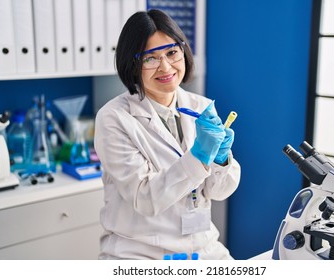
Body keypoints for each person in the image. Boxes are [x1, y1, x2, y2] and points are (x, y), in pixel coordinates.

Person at [94, 9, 241, 260]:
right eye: (150, 58)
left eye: (172, 52)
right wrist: (200, 155)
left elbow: (219, 191)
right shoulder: (114, 118)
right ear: (132, 64)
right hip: (140, 253)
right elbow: (145, 198)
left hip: (202, 248)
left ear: (183, 52)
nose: (165, 66)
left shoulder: (201, 107)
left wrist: (220, 160)